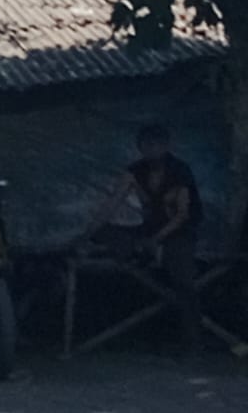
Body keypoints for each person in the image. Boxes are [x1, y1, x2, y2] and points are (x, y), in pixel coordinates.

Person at [87, 123, 202, 350]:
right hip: (149, 229)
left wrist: (156, 240)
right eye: (147, 146)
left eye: (156, 145)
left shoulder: (180, 170)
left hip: (179, 232)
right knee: (105, 233)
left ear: (166, 146)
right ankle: (134, 253)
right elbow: (113, 202)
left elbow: (182, 215)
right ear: (140, 148)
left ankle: (192, 340)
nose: (152, 151)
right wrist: (88, 232)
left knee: (183, 279)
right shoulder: (135, 171)